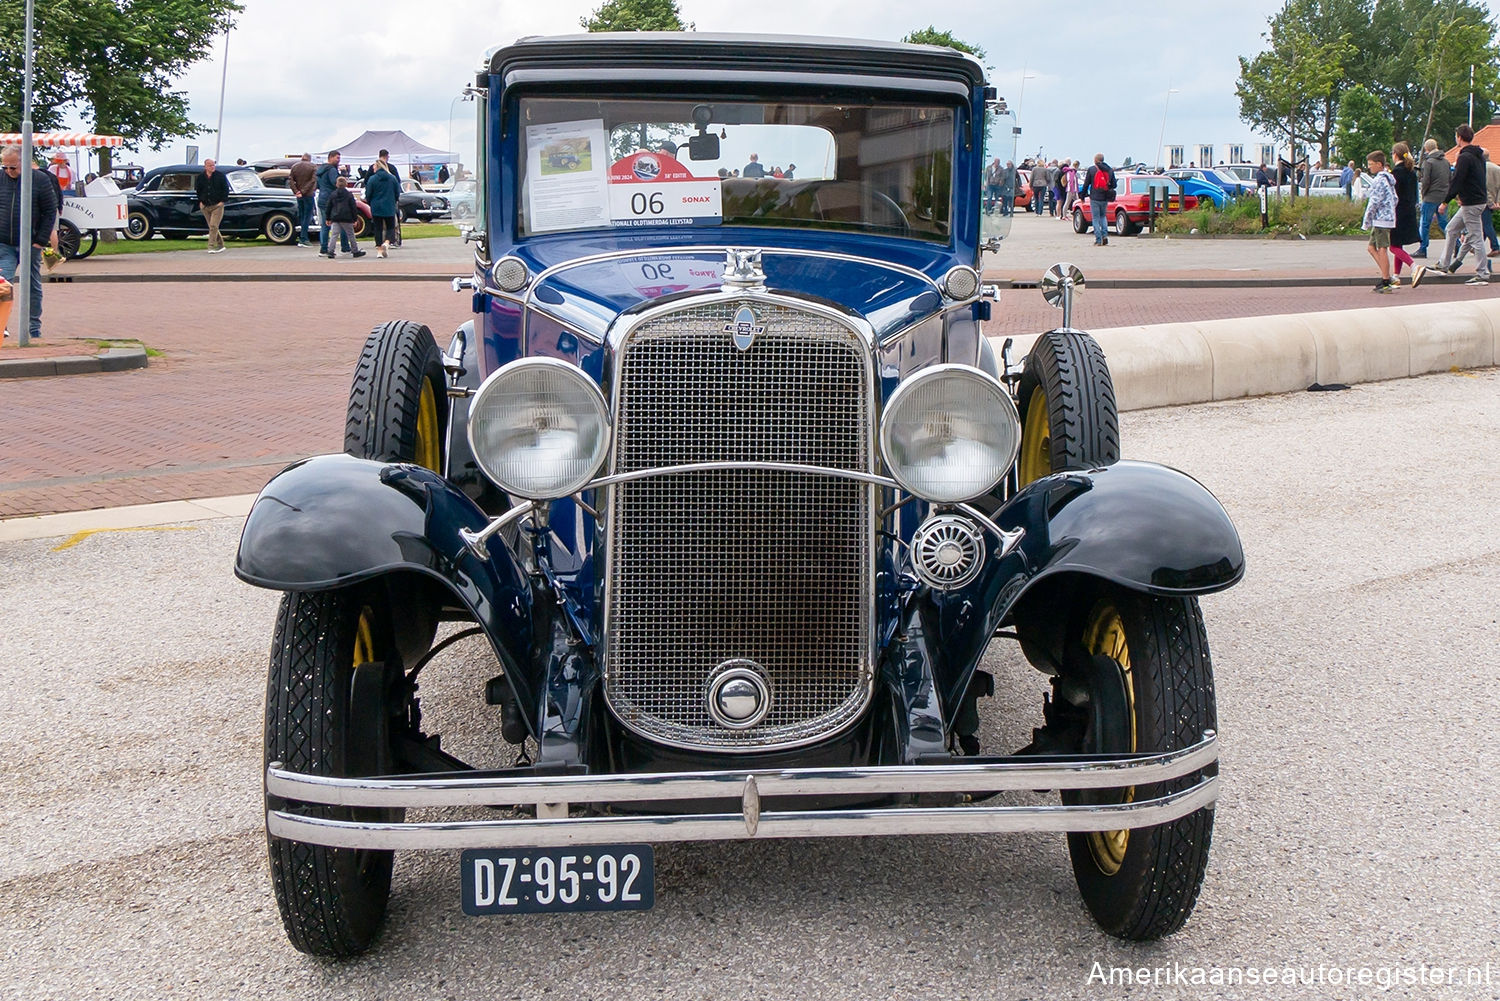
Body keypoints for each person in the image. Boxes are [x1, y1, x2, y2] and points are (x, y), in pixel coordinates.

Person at [0, 144, 58, 339]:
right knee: (3, 283)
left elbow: (50, 211)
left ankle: (34, 327)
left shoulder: (40, 180)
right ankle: (2, 325)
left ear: (23, 163)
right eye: (4, 167)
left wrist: (40, 241)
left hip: (31, 243)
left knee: (32, 285)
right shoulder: (1, 179)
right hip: (4, 243)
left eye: (12, 167)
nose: (8, 171)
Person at [1424, 124, 1490, 286]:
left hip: (1470, 203)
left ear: (1459, 138)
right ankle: (1444, 264)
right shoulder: (1478, 155)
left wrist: (1446, 201)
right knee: (1451, 229)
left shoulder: (1464, 157)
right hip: (1478, 200)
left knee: (1476, 238)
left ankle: (1482, 273)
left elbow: (1457, 180)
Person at [1361, 150, 1397, 293]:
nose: (1369, 167)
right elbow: (1395, 198)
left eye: (1371, 164)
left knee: (1382, 249)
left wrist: (1366, 221)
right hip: (1385, 219)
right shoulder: (1389, 179)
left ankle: (1386, 280)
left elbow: (1373, 203)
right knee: (1371, 248)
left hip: (1381, 220)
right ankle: (1386, 275)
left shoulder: (1379, 180)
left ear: (1379, 164)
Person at [1389, 143, 1419, 286]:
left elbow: (1393, 195)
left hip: (1398, 211)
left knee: (1393, 246)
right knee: (1399, 245)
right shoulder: (1412, 172)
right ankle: (1396, 275)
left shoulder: (1395, 173)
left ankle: (1413, 266)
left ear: (1395, 154)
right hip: (1410, 210)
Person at [1416, 138, 1449, 258]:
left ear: (1426, 149)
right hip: (1443, 196)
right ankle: (1456, 244)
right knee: (1444, 223)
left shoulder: (1428, 162)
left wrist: (1423, 194)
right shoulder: (1445, 161)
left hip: (1430, 197)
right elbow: (1449, 178)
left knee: (1425, 223)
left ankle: (1423, 248)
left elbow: (1426, 181)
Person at [363, 157, 399, 259]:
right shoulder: (392, 178)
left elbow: (368, 193)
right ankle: (387, 243)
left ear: (377, 167)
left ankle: (379, 251)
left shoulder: (372, 179)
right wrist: (393, 201)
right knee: (390, 227)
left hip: (376, 206)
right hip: (389, 205)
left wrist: (370, 202)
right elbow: (397, 192)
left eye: (374, 166)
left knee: (378, 229)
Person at [317, 151, 352, 256]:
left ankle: (323, 248)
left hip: (322, 198)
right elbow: (336, 183)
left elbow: (318, 184)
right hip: (332, 200)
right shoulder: (331, 170)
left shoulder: (320, 170)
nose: (339, 160)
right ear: (331, 157)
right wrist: (343, 175)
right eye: (337, 158)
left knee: (325, 225)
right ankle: (345, 247)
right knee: (343, 222)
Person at [323, 176, 366, 259]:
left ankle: (331, 251)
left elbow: (329, 206)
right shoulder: (349, 195)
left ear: (336, 184)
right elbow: (353, 207)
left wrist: (328, 218)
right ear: (346, 184)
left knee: (334, 235)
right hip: (347, 218)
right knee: (351, 235)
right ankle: (355, 251)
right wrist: (355, 219)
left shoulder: (333, 194)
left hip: (335, 217)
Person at [194, 158, 230, 253]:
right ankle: (221, 244)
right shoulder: (201, 177)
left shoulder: (220, 176)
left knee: (214, 225)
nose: (212, 167)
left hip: (217, 205)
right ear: (205, 166)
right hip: (205, 205)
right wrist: (201, 201)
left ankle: (211, 246)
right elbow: (198, 190)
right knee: (212, 226)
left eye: (213, 165)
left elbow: (225, 189)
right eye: (210, 165)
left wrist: (222, 201)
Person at [1081, 153, 1114, 246]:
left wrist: (1082, 196)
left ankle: (1098, 239)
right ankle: (1105, 236)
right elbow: (1114, 184)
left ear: (1095, 160)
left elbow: (1086, 184)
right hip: (1105, 197)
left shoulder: (1092, 169)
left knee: (1095, 218)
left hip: (1095, 197)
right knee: (1103, 217)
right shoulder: (1109, 170)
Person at [288, 153, 317, 247]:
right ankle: (304, 238)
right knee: (307, 216)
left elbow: (291, 180)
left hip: (299, 195)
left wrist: (296, 191)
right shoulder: (313, 167)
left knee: (302, 216)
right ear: (309, 159)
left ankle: (301, 237)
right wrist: (303, 191)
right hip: (308, 194)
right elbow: (313, 181)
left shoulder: (294, 166)